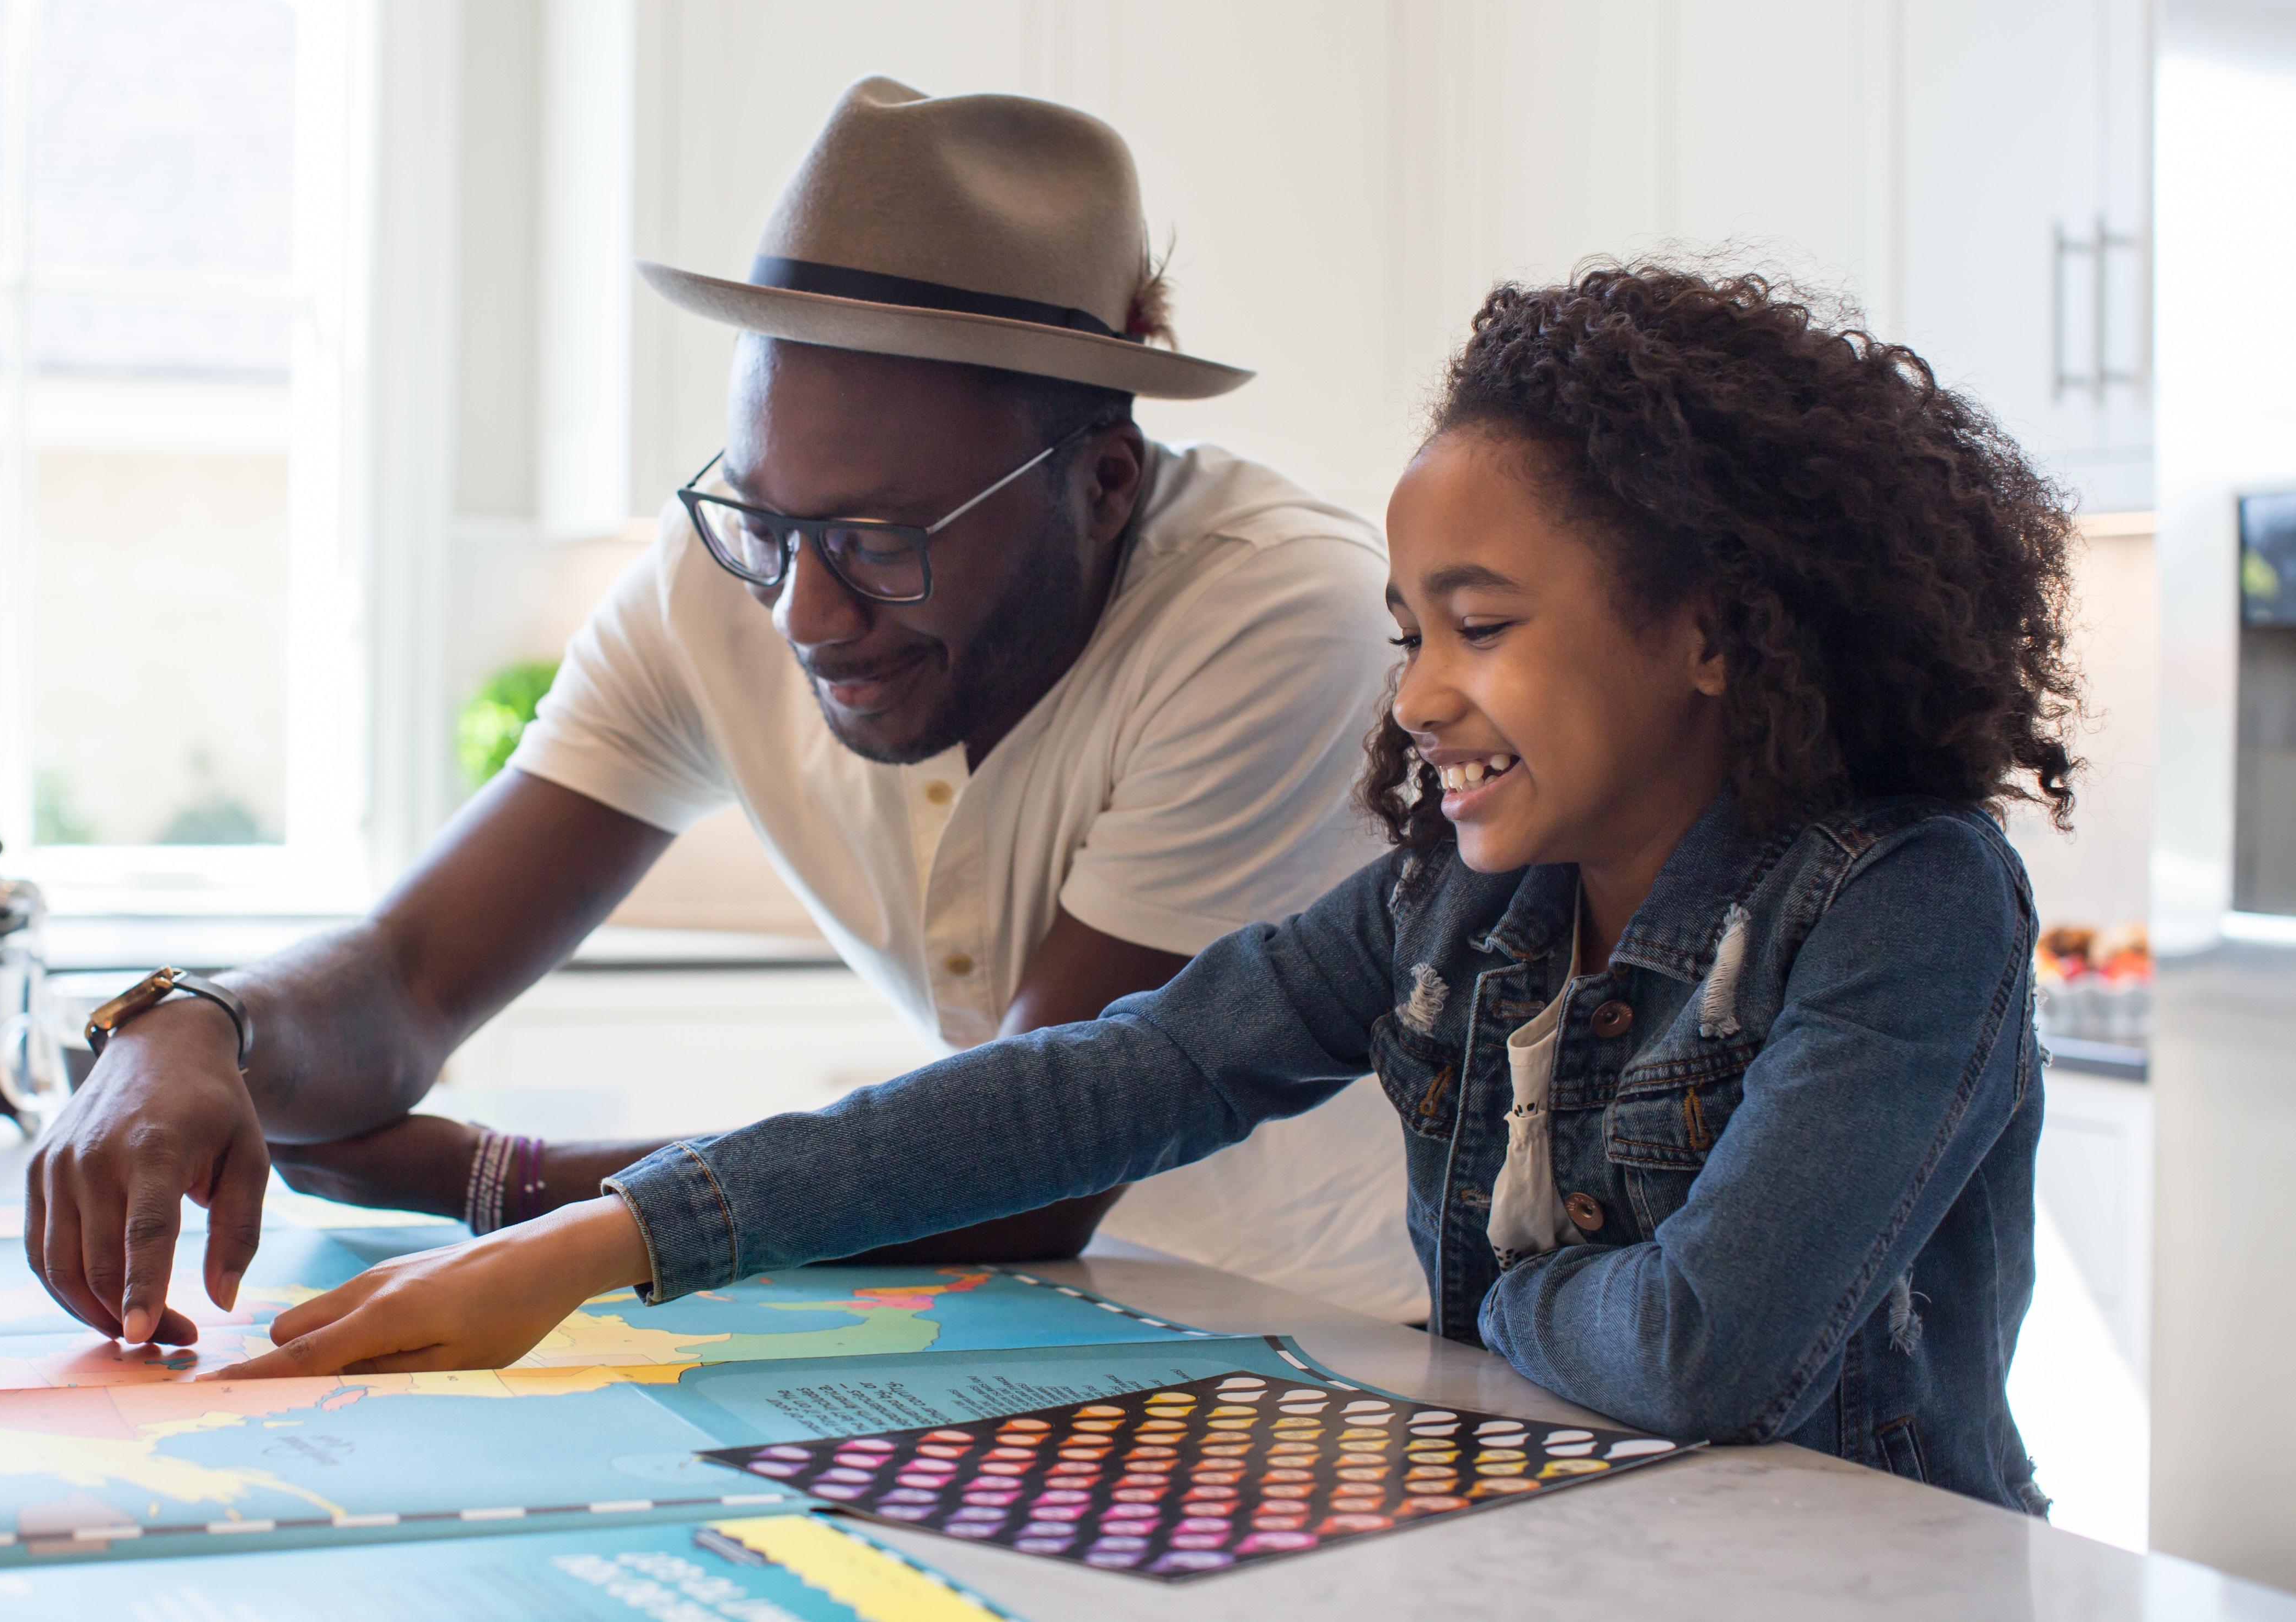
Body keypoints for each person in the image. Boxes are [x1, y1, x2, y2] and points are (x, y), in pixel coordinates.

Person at [221, 265, 2076, 1514]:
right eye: (1411, 630)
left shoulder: (1910, 902)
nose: (1421, 693)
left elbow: (1706, 1350)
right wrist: (597, 1244)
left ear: (1711, 633)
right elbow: (1093, 1081)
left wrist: (1505, 1292)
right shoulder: (1458, 908)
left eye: (1483, 629)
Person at [24, 76, 1429, 1348]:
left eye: (886, 537)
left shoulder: (1279, 616)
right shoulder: (723, 583)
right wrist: (198, 1024)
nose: (804, 611)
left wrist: (486, 1180)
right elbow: (409, 975)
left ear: (1103, 482)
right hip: (1013, 1331)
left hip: (1343, 1343)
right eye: (765, 520)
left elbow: (1028, 1155)